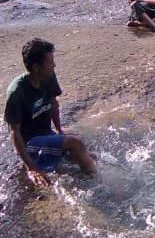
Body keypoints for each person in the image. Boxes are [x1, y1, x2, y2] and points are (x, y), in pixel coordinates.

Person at [4, 38, 96, 186]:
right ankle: (99, 182)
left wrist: (59, 129)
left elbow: (53, 103)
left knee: (84, 152)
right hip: (29, 142)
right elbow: (14, 133)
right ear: (35, 67)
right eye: (50, 62)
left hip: (45, 133)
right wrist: (31, 169)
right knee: (76, 143)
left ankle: (87, 175)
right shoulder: (16, 93)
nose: (54, 65)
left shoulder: (48, 77)